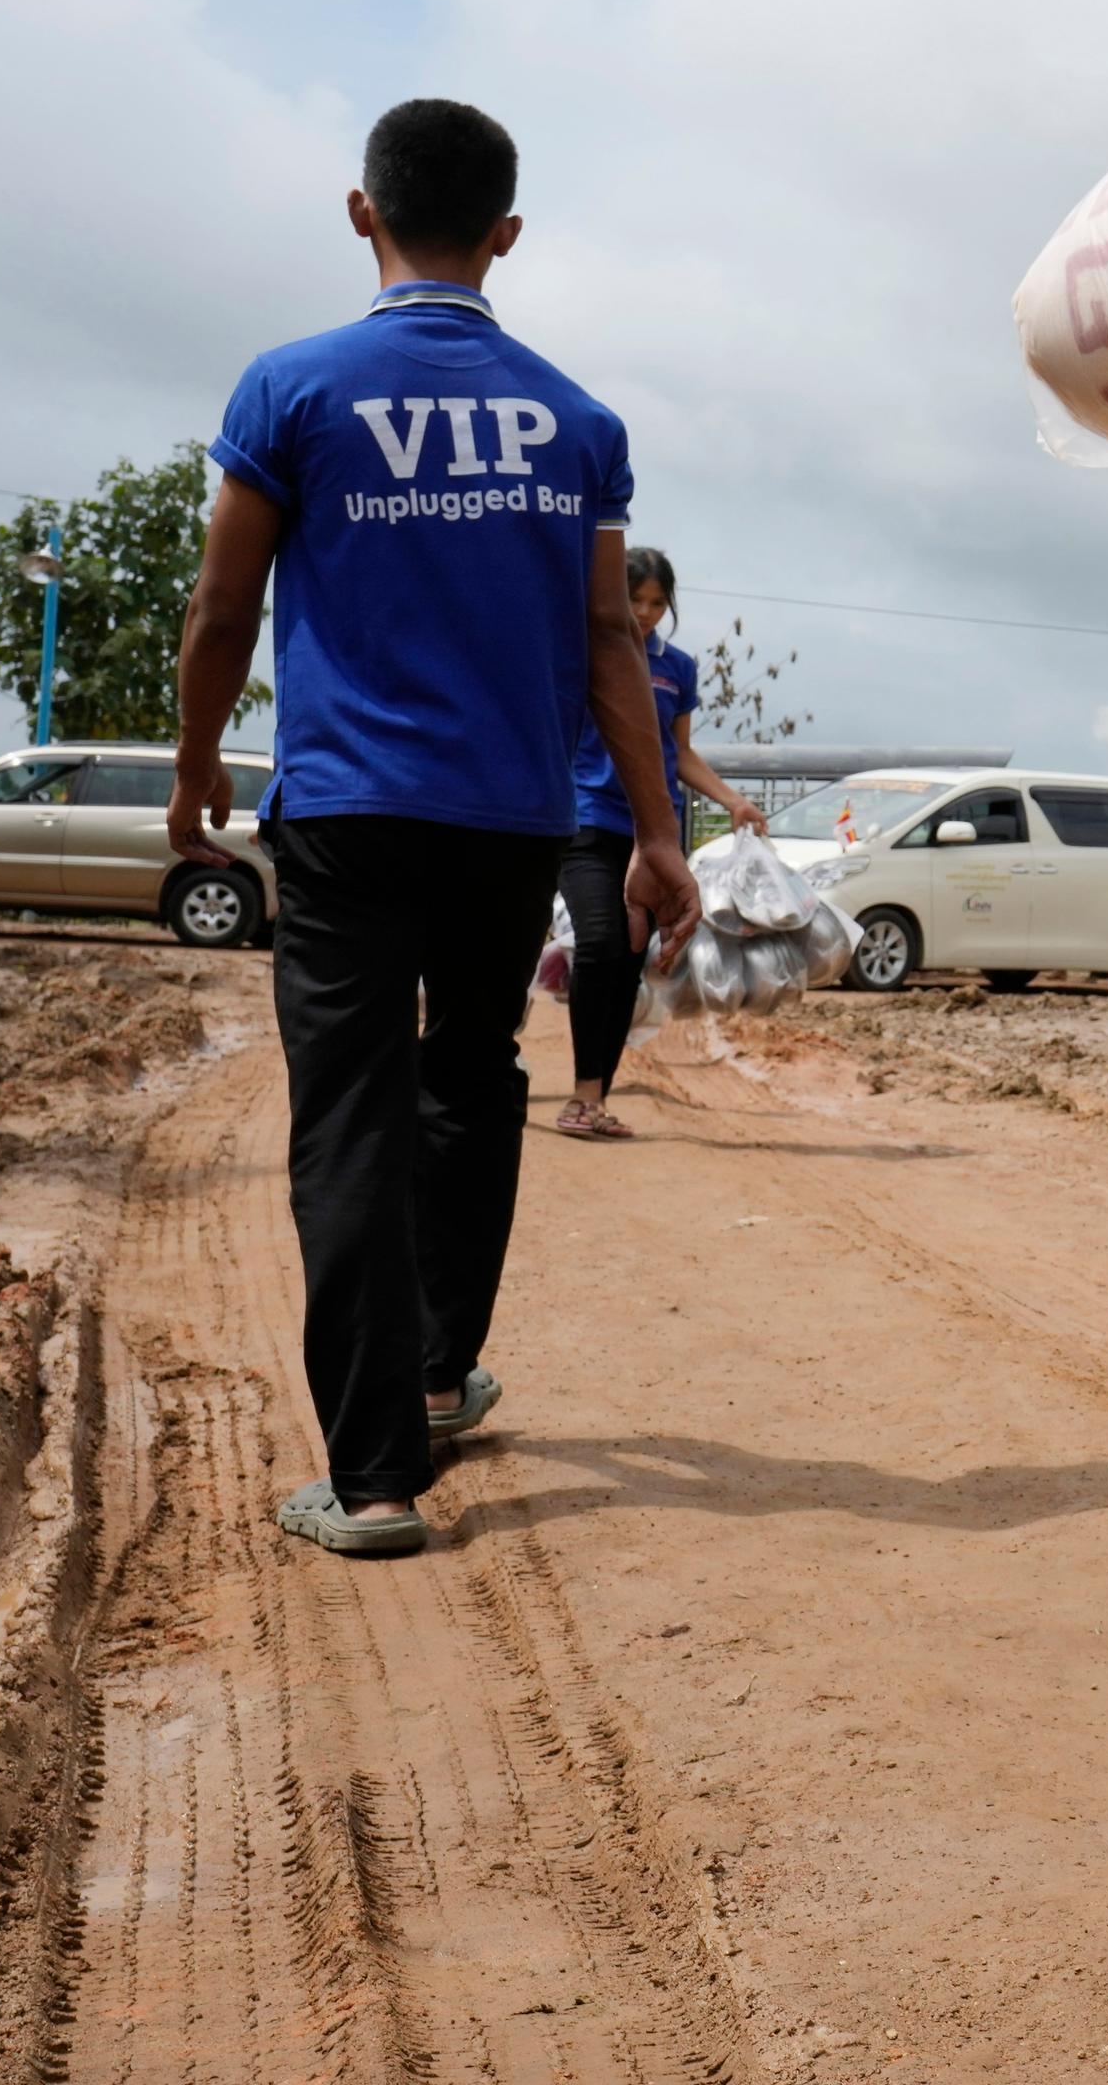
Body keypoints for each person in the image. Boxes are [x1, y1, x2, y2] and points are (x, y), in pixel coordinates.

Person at [169, 97, 696, 1560]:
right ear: (506, 236)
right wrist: (655, 837)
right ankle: (440, 1369)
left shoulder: (295, 391)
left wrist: (197, 764)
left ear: (361, 213)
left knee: (353, 1116)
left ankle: (377, 1479)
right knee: (471, 1084)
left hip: (346, 813)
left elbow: (223, 605)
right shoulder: (577, 422)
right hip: (512, 821)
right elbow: (609, 644)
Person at [553, 547, 764, 1140]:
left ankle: (590, 1098)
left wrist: (732, 802)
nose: (644, 614)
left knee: (628, 957)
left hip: (652, 835)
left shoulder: (679, 668)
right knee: (598, 941)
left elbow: (681, 755)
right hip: (586, 821)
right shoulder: (581, 651)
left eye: (656, 604)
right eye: (634, 600)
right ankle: (565, 1083)